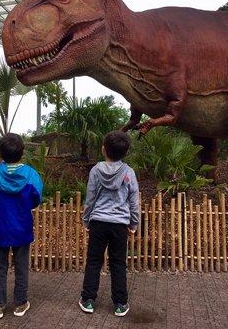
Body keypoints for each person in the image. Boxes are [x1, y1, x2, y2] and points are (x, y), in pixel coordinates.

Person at [79, 130, 139, 317]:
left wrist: (86, 219)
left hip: (98, 222)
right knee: (118, 263)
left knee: (94, 261)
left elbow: (90, 198)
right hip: (120, 224)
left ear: (104, 149)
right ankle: (120, 303)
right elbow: (133, 200)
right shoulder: (129, 172)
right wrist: (134, 222)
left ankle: (88, 300)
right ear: (125, 152)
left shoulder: (96, 170)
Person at [0, 133, 43, 319]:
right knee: (21, 266)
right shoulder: (31, 175)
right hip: (21, 227)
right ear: (22, 151)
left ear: (0, 152)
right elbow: (36, 199)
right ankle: (20, 304)